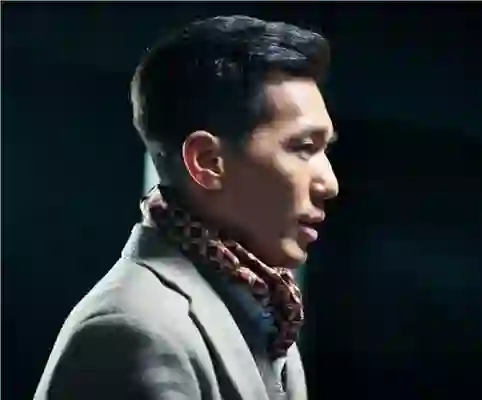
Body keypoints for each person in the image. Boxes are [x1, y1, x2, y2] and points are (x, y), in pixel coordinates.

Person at [34, 15, 338, 400]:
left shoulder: (270, 310)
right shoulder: (135, 331)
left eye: (325, 150)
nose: (329, 183)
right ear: (207, 162)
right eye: (303, 148)